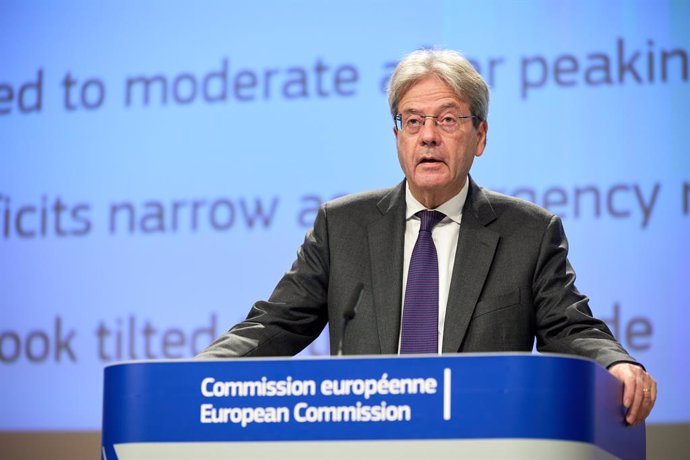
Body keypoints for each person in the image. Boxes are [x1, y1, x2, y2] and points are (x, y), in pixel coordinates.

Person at [197, 48, 657, 425]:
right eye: (412, 121)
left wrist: (617, 362)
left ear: (480, 136)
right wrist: (195, 376)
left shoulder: (529, 233)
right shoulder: (343, 227)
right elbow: (274, 324)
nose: (428, 137)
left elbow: (568, 326)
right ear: (397, 135)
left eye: (448, 119)